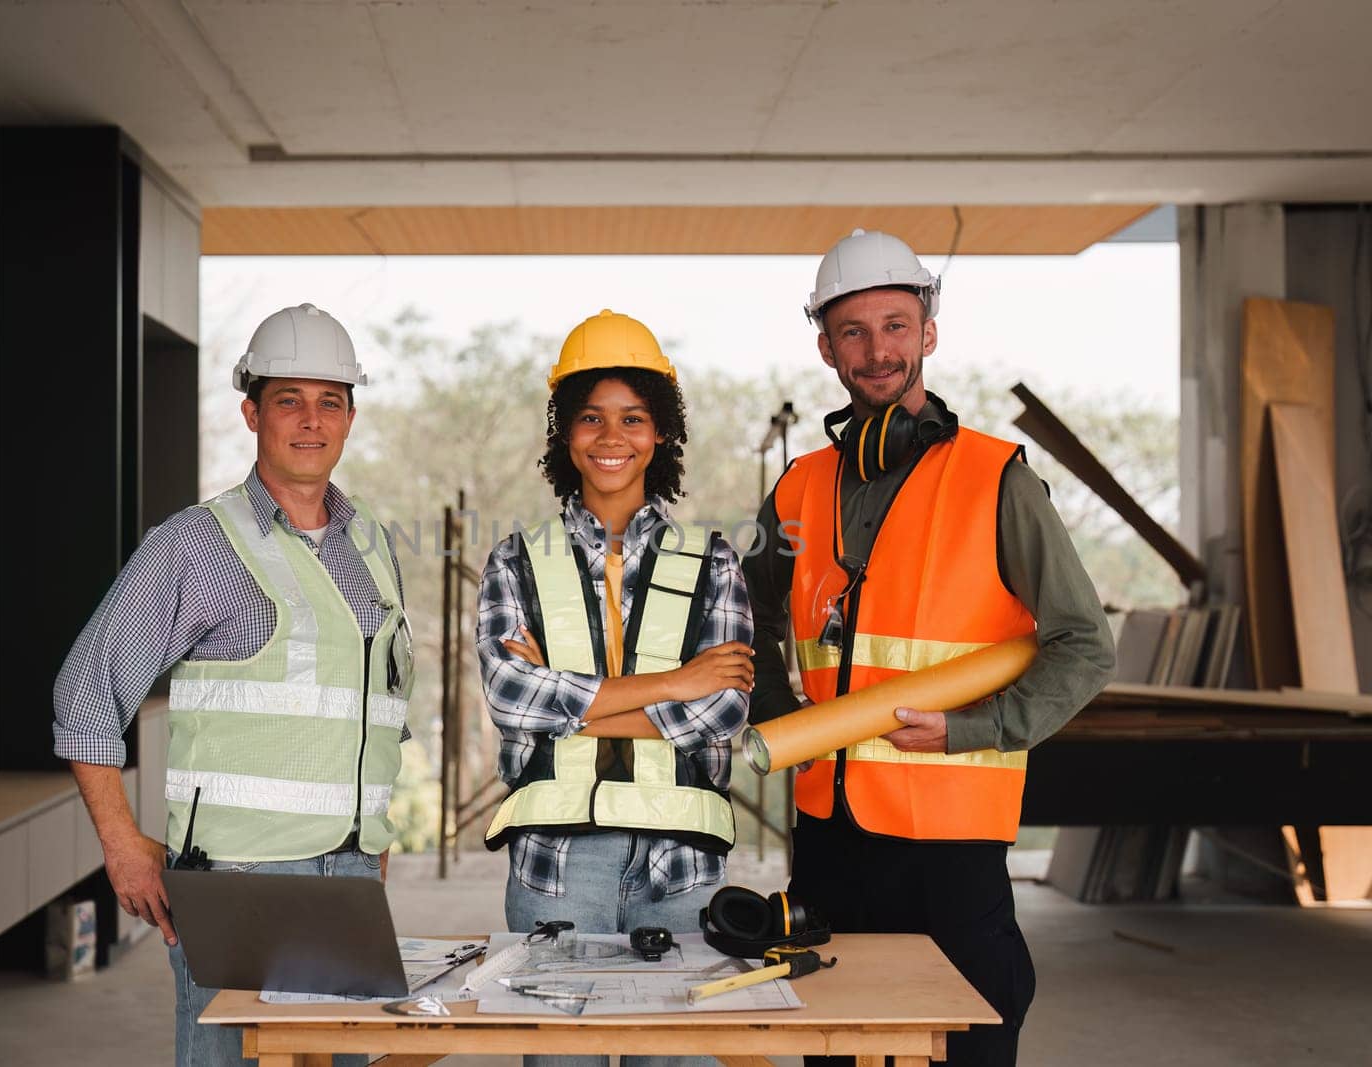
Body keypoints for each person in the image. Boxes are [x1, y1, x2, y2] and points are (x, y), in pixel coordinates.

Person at [744, 231, 1115, 1067]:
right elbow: (744, 613)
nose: (877, 350)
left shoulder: (998, 480)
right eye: (853, 331)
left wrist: (971, 729)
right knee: (834, 1037)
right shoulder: (800, 485)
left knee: (966, 1041)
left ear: (929, 332)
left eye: (896, 325)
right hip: (828, 833)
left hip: (948, 841)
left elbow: (1084, 645)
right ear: (825, 346)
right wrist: (781, 717)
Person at [54, 303, 414, 1067]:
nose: (311, 421)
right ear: (252, 411)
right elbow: (86, 692)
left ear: (350, 416)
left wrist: (371, 845)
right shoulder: (194, 544)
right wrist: (121, 845)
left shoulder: (373, 545)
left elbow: (378, 712)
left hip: (349, 877)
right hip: (239, 882)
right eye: (290, 400)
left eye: (330, 401)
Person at [477, 309, 754, 1067]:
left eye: (633, 417)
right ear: (565, 432)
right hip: (557, 867)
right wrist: (676, 682)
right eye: (592, 417)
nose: (611, 436)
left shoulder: (713, 558)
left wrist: (569, 710)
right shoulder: (516, 560)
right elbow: (508, 694)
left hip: (684, 862)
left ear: (660, 431)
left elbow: (724, 710)